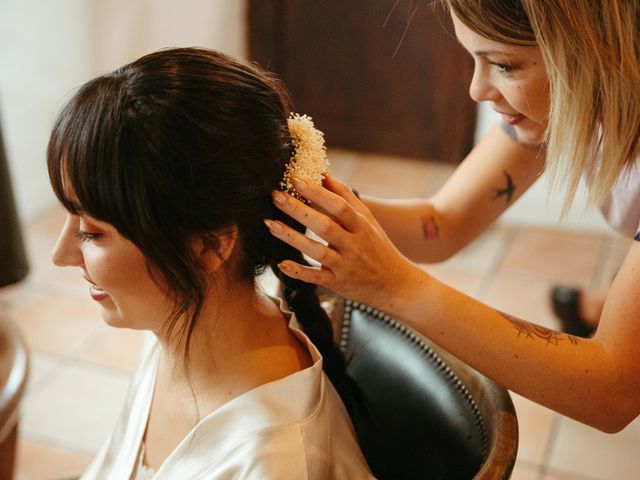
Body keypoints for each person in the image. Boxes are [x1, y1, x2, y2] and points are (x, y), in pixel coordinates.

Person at [266, 0, 640, 433]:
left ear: (599, 53)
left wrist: (396, 287)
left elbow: (613, 391)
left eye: (504, 65)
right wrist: (317, 199)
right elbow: (443, 223)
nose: (477, 90)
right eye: (474, 59)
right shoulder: (557, 108)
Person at [48, 47, 373, 479]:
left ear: (208, 246)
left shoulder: (275, 461)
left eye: (92, 232)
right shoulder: (175, 327)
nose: (60, 254)